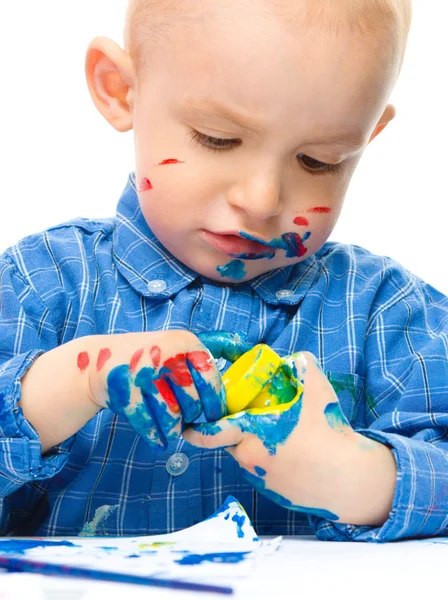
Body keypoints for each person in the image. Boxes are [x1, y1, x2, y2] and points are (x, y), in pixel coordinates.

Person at [2, 0, 446, 543]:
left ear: (366, 136)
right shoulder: (39, 285)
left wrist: (362, 478)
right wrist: (74, 380)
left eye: (319, 161)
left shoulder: (389, 313)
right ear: (120, 89)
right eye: (218, 138)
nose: (261, 199)